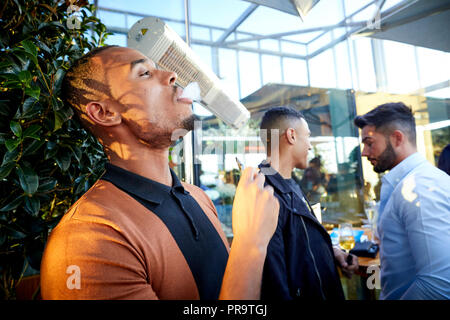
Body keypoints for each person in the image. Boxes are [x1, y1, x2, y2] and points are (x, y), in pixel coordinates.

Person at [40, 45, 280, 300]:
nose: (172, 75)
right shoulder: (89, 238)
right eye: (144, 73)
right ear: (105, 113)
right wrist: (250, 246)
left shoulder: (199, 197)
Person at [258, 106, 358, 300]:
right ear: (292, 136)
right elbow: (274, 283)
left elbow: (299, 242)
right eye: (308, 136)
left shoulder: (289, 183)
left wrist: (333, 252)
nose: (310, 146)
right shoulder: (264, 192)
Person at [354, 102, 450, 299]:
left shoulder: (418, 187)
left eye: (369, 143)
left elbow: (438, 283)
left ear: (397, 138)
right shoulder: (404, 183)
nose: (364, 152)